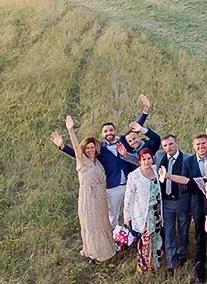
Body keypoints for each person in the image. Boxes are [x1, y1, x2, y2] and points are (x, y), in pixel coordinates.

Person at [54, 94, 151, 227]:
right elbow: (79, 155)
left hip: (130, 183)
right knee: (114, 216)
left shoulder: (124, 140)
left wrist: (145, 110)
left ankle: (132, 236)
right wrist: (62, 146)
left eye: (111, 130)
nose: (109, 132)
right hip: (113, 187)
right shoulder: (99, 148)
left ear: (115, 130)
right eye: (105, 131)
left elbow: (136, 127)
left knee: (134, 212)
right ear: (102, 134)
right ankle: (114, 241)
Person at [53, 115, 115, 262]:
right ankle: (93, 253)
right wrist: (71, 131)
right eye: (87, 148)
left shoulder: (98, 163)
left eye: (92, 147)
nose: (90, 150)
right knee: (91, 224)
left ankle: (106, 249)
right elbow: (75, 147)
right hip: (88, 198)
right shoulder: (83, 162)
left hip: (100, 197)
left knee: (102, 222)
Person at [154, 133, 194, 274]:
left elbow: (192, 182)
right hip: (166, 203)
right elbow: (142, 161)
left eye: (171, 144)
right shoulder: (159, 156)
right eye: (165, 145)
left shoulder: (188, 159)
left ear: (176, 143)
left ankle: (182, 254)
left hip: (182, 201)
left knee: (183, 231)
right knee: (169, 233)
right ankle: (172, 263)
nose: (168, 147)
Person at [124, 147, 163, 272]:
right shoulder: (134, 176)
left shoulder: (156, 170)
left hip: (156, 212)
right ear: (139, 160)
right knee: (145, 240)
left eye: (149, 158)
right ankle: (143, 266)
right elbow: (128, 197)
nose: (147, 162)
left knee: (156, 238)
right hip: (143, 214)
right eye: (143, 159)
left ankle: (155, 263)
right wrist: (127, 216)